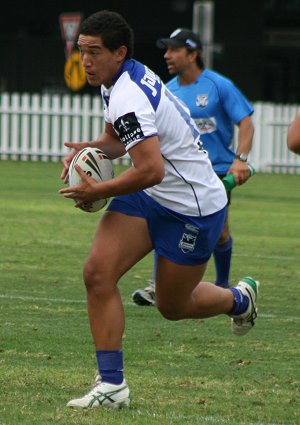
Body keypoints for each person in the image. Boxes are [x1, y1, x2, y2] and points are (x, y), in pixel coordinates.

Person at [59, 10, 259, 410]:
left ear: (120, 52)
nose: (86, 62)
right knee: (97, 274)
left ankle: (240, 299)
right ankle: (113, 386)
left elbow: (151, 169)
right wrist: (90, 151)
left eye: (94, 52)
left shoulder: (129, 94)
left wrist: (98, 189)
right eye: (82, 52)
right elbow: (117, 139)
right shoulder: (115, 80)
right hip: (152, 195)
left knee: (172, 306)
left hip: (193, 208)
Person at [132, 28, 254, 307]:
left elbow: (246, 122)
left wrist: (241, 158)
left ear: (193, 54)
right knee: (164, 220)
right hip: (180, 173)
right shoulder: (167, 90)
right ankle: (156, 286)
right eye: (166, 50)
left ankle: (223, 284)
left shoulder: (219, 85)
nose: (167, 55)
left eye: (174, 49)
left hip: (216, 173)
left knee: (221, 232)